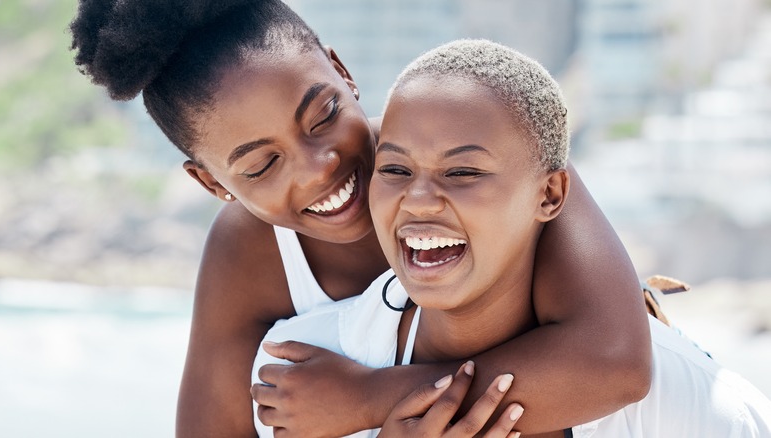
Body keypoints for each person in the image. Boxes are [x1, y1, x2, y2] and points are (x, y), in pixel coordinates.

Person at [69, 1, 652, 436]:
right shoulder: (250, 254)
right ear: (213, 183)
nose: (319, 167)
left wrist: (371, 399)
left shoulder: (477, 140)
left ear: (341, 70)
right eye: (264, 164)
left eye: (322, 115)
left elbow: (615, 363)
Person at [253, 39, 771, 438]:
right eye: (394, 168)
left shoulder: (696, 411)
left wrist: (374, 399)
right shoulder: (301, 374)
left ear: (549, 195)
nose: (420, 199)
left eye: (462, 173)